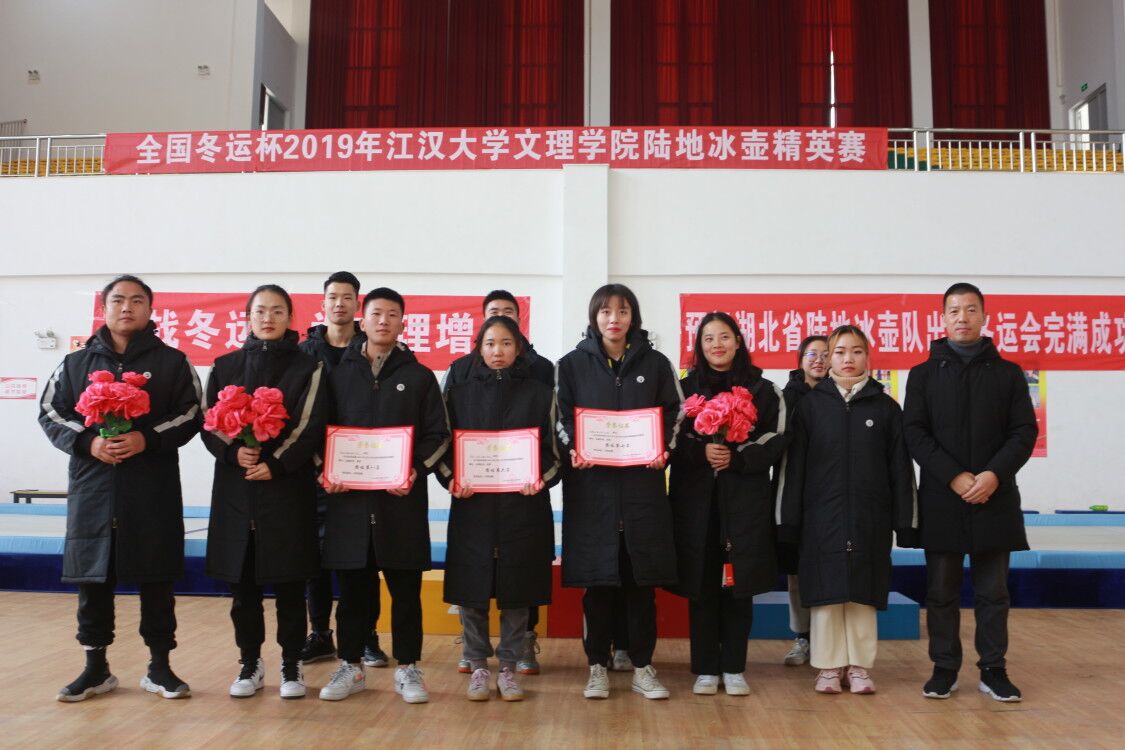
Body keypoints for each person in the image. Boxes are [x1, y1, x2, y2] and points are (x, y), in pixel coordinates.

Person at [40, 275, 202, 702]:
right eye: (118, 300)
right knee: (93, 580)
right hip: (94, 488)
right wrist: (88, 442)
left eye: (136, 300)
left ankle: (160, 667)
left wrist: (146, 439)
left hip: (151, 489)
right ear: (104, 308)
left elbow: (191, 413)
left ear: (150, 309)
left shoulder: (172, 362)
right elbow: (50, 412)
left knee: (157, 578)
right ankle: (95, 668)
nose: (126, 307)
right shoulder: (75, 363)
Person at [904, 282, 1037, 703]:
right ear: (942, 318)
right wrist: (954, 476)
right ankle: (944, 669)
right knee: (941, 592)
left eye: (970, 309)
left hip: (995, 496)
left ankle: (994, 670)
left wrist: (993, 475)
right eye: (954, 310)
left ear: (984, 316)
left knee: (993, 593)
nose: (962, 317)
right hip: (943, 497)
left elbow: (1024, 431)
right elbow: (915, 433)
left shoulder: (1008, 373)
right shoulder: (923, 374)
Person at [317, 288, 450, 704]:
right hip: (349, 503)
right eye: (376, 313)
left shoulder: (420, 377)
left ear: (403, 323)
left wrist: (415, 470)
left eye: (393, 315)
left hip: (400, 502)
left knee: (406, 593)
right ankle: (351, 666)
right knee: (353, 595)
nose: (384, 321)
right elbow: (318, 430)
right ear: (363, 319)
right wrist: (326, 469)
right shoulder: (336, 374)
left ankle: (408, 668)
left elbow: (438, 435)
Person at [556, 283, 683, 700]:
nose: (614, 318)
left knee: (641, 586)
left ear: (633, 317)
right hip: (593, 494)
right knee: (597, 586)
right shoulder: (571, 365)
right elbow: (559, 417)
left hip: (642, 493)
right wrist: (575, 448)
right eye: (606, 311)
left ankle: (643, 667)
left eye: (623, 311)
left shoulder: (657, 364)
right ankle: (597, 666)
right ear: (594, 317)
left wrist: (663, 449)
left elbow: (676, 413)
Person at [202, 284, 327, 700]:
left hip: (286, 491)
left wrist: (276, 464)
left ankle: (292, 664)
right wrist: (233, 452)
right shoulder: (225, 365)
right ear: (248, 317)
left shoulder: (308, 367)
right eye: (260, 311)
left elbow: (310, 424)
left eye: (277, 311)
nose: (268, 318)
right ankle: (250, 663)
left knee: (290, 587)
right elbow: (210, 421)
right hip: (236, 492)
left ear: (290, 317)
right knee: (243, 591)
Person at [780, 325, 917, 695]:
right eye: (839, 351)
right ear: (829, 358)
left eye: (856, 351)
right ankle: (827, 666)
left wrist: (905, 520)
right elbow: (794, 470)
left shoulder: (886, 408)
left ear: (867, 356)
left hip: (869, 517)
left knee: (861, 592)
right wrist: (789, 519)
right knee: (826, 592)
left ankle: (859, 666)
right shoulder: (810, 407)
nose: (848, 358)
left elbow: (901, 470)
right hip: (821, 518)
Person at [437, 315, 561, 701]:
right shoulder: (458, 394)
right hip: (472, 505)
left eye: (506, 343)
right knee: (471, 586)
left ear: (518, 348)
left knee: (517, 588)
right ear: (479, 348)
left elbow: (555, 451)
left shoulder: (541, 394)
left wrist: (541, 478)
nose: (498, 351)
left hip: (523, 505)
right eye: (490, 343)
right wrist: (451, 479)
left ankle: (508, 666)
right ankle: (477, 664)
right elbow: (442, 445)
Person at [669, 312, 788, 696]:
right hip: (697, 505)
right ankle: (706, 668)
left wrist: (736, 458)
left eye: (724, 336)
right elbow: (670, 438)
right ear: (699, 346)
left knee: (740, 587)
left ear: (738, 341)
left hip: (744, 504)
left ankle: (734, 667)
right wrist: (702, 451)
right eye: (708, 338)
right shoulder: (683, 389)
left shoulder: (763, 389)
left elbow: (777, 437)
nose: (716, 344)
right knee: (702, 585)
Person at [297, 272, 390, 669]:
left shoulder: (372, 348)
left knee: (365, 560)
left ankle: (366, 635)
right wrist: (319, 463)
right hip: (313, 473)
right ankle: (320, 634)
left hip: (362, 471)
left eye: (347, 297)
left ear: (358, 305)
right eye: (332, 296)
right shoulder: (304, 352)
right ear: (323, 303)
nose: (339, 303)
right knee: (315, 559)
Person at [776, 335, 828, 667]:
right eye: (812, 354)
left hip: (830, 495)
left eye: (825, 354)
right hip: (793, 494)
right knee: (795, 571)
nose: (819, 360)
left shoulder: (840, 397)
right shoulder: (785, 397)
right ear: (800, 360)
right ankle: (802, 638)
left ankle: (827, 641)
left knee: (827, 569)